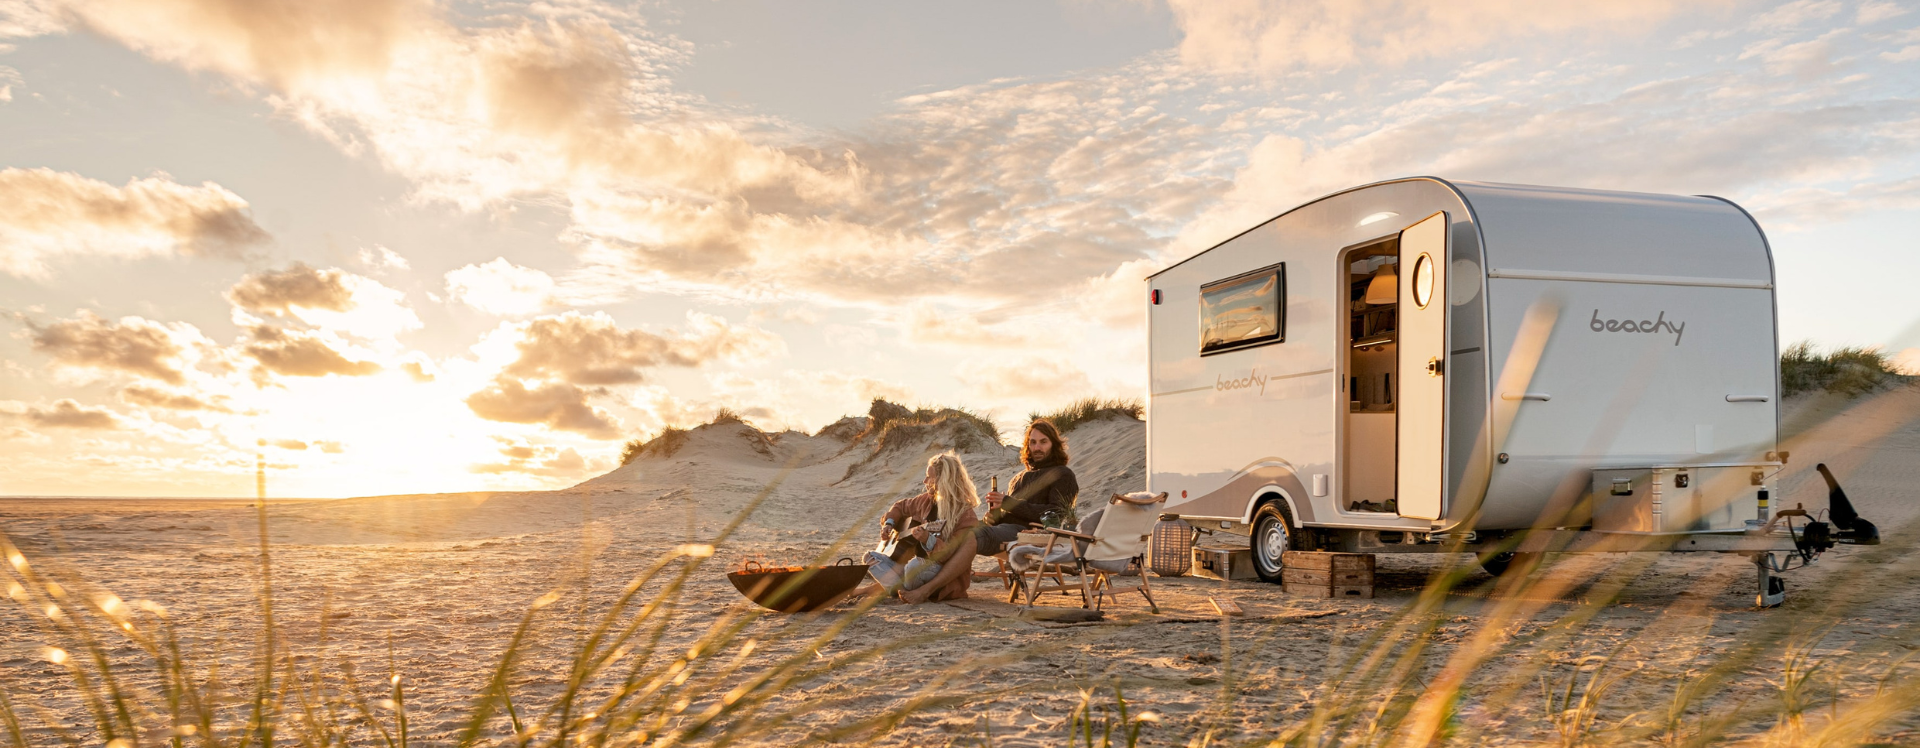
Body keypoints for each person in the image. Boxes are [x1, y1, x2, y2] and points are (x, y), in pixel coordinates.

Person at [855, 452, 982, 604]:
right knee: (870, 557)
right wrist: (889, 523)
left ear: (943, 480)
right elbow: (900, 506)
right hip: (911, 570)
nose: (924, 481)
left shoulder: (965, 515)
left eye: (930, 477)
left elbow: (951, 557)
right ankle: (903, 591)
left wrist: (929, 540)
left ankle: (897, 589)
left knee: (915, 565)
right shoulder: (925, 501)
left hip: (936, 570)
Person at [973, 419, 1078, 557]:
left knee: (974, 536)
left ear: (1054, 444)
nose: (1037, 448)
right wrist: (995, 516)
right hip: (1005, 529)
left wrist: (1009, 503)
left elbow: (1056, 514)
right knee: (957, 532)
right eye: (1033, 442)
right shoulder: (1018, 478)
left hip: (1030, 534)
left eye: (1043, 442)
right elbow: (1012, 515)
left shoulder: (1062, 474)